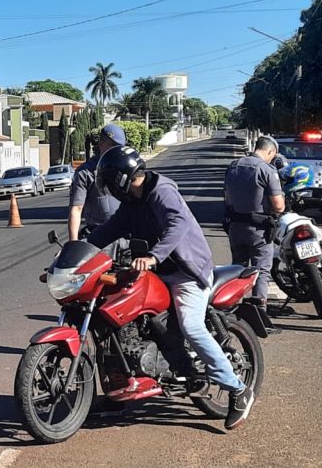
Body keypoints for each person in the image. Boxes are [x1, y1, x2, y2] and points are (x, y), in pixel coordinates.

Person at [88, 146, 255, 430]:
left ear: (121, 178)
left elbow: (177, 225)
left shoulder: (162, 191)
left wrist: (154, 256)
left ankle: (237, 389)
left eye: (109, 180)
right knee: (116, 318)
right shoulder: (132, 202)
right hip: (157, 272)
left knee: (191, 326)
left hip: (186, 272)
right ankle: (119, 391)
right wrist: (78, 250)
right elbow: (110, 229)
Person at [223, 136, 285, 334]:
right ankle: (260, 316)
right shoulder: (266, 170)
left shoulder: (233, 167)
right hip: (259, 230)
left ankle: (233, 314)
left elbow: (227, 198)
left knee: (238, 269)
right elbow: (278, 205)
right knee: (261, 270)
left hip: (235, 227)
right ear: (270, 152)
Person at [68, 124, 126, 242]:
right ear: (101, 144)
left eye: (119, 146)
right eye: (112, 145)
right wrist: (72, 243)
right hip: (98, 235)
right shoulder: (85, 172)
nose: (115, 150)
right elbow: (76, 209)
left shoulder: (126, 168)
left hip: (126, 233)